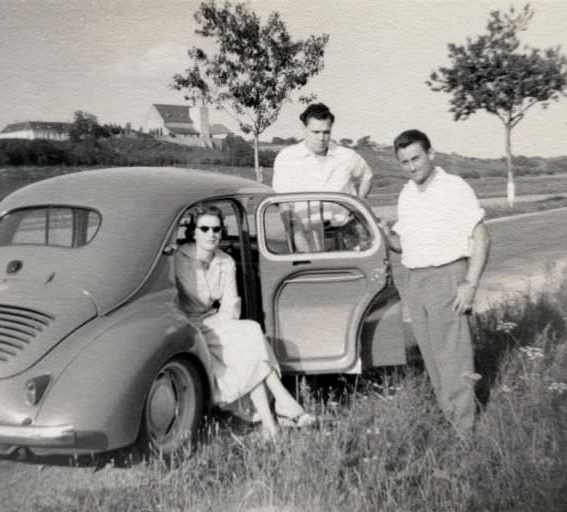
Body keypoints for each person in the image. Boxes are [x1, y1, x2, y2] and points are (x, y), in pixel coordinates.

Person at [379, 129, 491, 434]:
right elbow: (406, 245)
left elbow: (481, 236)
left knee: (453, 356)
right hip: (416, 280)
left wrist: (470, 283)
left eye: (416, 158)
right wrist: (387, 235)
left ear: (431, 154)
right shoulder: (407, 194)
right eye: (405, 162)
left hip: (447, 276)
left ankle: (465, 430)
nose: (412, 166)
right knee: (432, 356)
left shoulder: (454, 187)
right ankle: (451, 418)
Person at [173, 204, 316, 439]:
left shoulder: (225, 261)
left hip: (214, 322)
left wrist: (217, 324)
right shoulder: (179, 258)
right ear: (194, 232)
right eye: (205, 228)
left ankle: (271, 425)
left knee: (247, 345)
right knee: (250, 333)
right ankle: (284, 405)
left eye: (216, 229)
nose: (211, 234)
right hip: (186, 326)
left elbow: (231, 306)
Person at [272, 103, 374, 252]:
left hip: (346, 232)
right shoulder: (287, 158)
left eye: (326, 132)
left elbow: (367, 176)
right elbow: (283, 204)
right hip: (307, 235)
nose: (321, 138)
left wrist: (360, 201)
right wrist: (299, 241)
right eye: (316, 132)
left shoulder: (346, 156)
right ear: (304, 129)